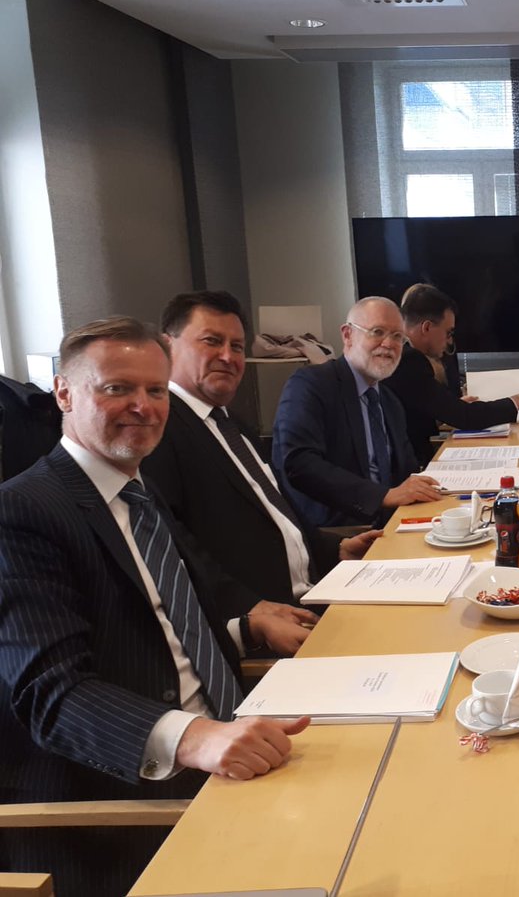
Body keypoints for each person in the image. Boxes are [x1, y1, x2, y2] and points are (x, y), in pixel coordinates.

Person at [0, 318, 312, 897]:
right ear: (63, 393)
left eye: (155, 390)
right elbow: (52, 694)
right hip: (129, 804)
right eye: (117, 388)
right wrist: (197, 738)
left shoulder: (137, 492)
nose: (143, 407)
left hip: (239, 744)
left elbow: (157, 625)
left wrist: (247, 627)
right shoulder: (22, 512)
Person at [142, 291, 382, 610]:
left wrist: (336, 549)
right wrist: (251, 613)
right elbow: (174, 548)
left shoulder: (234, 425)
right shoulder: (158, 429)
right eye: (212, 341)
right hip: (269, 614)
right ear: (167, 347)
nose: (227, 357)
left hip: (316, 589)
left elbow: (276, 512)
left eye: (237, 347)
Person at [273, 296, 441, 528]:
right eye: (377, 332)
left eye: (397, 336)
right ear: (347, 335)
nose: (388, 344)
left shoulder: (389, 402)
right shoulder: (311, 384)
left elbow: (407, 473)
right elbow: (299, 464)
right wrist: (382, 497)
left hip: (394, 523)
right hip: (337, 531)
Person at [384, 283, 519, 465]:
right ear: (427, 328)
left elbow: (427, 410)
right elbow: (465, 417)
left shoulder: (405, 355)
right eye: (448, 333)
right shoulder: (409, 360)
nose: (449, 341)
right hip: (411, 467)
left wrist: (452, 406)